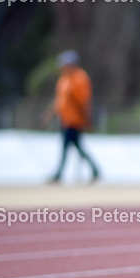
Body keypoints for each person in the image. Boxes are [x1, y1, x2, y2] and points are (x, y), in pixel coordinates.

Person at [43, 51, 100, 183]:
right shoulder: (63, 80)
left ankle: (58, 174)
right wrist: (50, 114)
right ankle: (95, 170)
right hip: (65, 119)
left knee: (67, 147)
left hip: (76, 120)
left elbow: (85, 101)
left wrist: (88, 119)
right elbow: (60, 101)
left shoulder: (80, 78)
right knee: (76, 147)